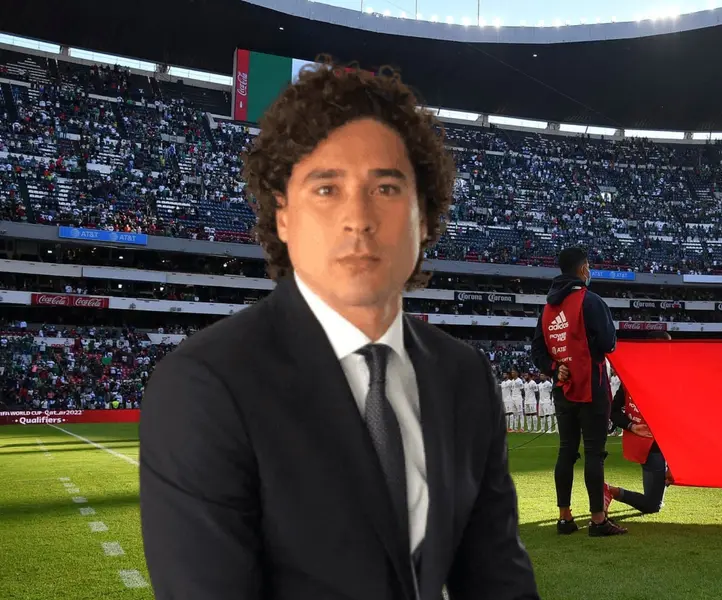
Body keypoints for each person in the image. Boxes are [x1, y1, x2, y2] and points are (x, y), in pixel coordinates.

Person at [139, 60, 539, 600]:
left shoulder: (464, 377)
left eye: (387, 188)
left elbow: (499, 579)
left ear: (425, 213)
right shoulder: (204, 387)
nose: (359, 217)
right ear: (282, 215)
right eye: (326, 189)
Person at [531, 247, 624, 537]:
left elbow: (537, 350)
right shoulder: (591, 302)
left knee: (566, 451)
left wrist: (552, 367)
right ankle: (597, 520)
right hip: (591, 386)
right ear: (583, 269)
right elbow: (609, 343)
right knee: (594, 453)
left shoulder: (547, 309)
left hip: (563, 388)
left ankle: (564, 517)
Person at [605, 331, 673, 515]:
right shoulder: (632, 378)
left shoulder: (672, 377)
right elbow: (613, 410)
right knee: (653, 505)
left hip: (667, 447)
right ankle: (610, 491)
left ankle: (610, 490)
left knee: (655, 499)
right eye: (661, 349)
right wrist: (632, 426)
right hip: (651, 447)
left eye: (668, 349)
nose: (666, 352)